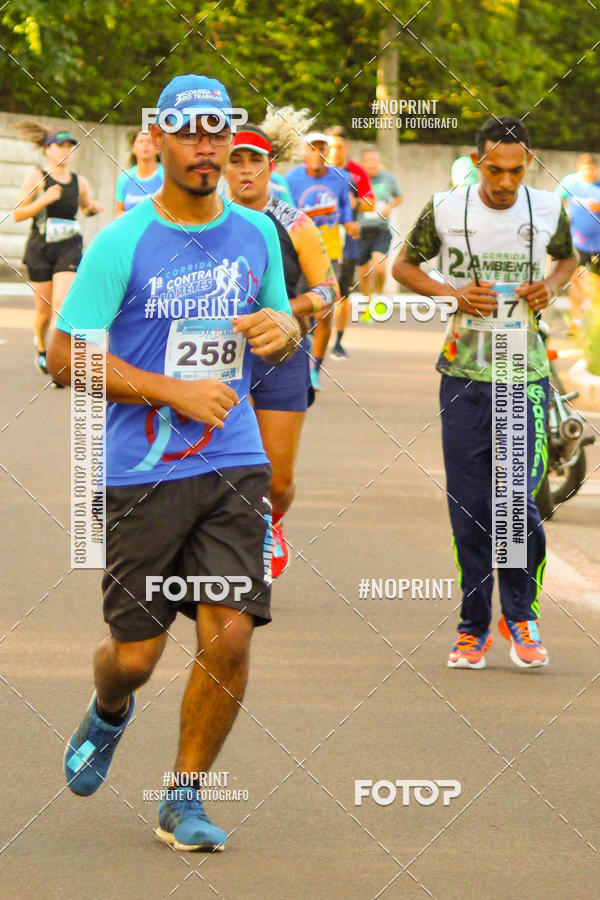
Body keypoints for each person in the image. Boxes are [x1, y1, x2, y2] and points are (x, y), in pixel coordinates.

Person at [47, 74, 299, 852]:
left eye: (216, 131)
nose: (205, 146)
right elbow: (62, 357)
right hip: (142, 471)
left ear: (231, 138)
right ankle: (109, 709)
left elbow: (283, 317)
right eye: (188, 131)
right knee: (136, 655)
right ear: (157, 140)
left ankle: (183, 796)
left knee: (229, 635)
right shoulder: (123, 240)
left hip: (232, 460)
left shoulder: (256, 233)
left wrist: (281, 332)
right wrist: (169, 391)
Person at [392, 116, 577, 671]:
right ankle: (473, 626)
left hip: (524, 370)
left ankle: (520, 615)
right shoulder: (447, 209)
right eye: (495, 170)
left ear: (529, 163)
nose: (504, 182)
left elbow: (568, 259)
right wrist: (450, 293)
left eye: (516, 171)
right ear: (478, 163)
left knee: (516, 502)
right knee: (471, 506)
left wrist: (551, 284)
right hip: (464, 375)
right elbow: (402, 266)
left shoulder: (547, 210)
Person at [225, 124, 339, 576]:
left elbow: (330, 289)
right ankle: (227, 549)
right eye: (237, 160)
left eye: (256, 161)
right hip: (220, 353)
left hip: (283, 352)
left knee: (278, 480)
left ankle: (272, 520)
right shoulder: (205, 219)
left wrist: (285, 311)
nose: (247, 170)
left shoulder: (295, 223)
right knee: (231, 465)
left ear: (271, 167)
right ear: (222, 167)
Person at [12, 123, 104, 378]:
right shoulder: (37, 178)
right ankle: (40, 346)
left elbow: (84, 207)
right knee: (43, 312)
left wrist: (91, 207)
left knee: (61, 305)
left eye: (69, 147)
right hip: (40, 248)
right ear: (48, 149)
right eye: (60, 146)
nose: (66, 151)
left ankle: (59, 362)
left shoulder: (79, 182)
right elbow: (18, 213)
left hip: (69, 247)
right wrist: (45, 199)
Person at [285, 132, 353, 388]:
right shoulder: (290, 179)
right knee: (299, 311)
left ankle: (315, 369)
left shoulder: (339, 178)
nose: (317, 153)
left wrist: (349, 222)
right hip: (298, 252)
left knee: (325, 312)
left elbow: (346, 206)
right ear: (304, 153)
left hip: (330, 251)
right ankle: (300, 363)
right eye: (312, 148)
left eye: (322, 147)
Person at [325, 125, 374, 359]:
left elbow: (371, 203)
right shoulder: (318, 171)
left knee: (343, 293)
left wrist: (354, 203)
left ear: (346, 146)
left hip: (348, 242)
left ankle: (338, 342)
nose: (334, 150)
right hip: (319, 244)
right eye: (330, 146)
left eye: (338, 146)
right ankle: (313, 338)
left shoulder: (356, 172)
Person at [554, 154, 600, 331]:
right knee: (577, 279)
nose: (588, 173)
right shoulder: (571, 182)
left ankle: (595, 324)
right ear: (580, 169)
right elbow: (555, 199)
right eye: (585, 170)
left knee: (595, 283)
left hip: (598, 244)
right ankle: (576, 322)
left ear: (596, 169)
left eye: (591, 170)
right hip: (578, 242)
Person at [356, 145, 402, 302]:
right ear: (362, 163)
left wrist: (390, 205)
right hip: (361, 230)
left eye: (375, 160)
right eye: (369, 160)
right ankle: (367, 300)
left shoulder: (388, 178)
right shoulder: (355, 179)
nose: (373, 164)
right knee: (363, 272)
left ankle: (379, 297)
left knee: (379, 268)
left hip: (381, 230)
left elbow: (399, 197)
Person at [114, 128, 164, 215]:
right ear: (133, 148)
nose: (145, 145)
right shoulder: (124, 178)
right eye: (141, 141)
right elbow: (119, 213)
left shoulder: (167, 176)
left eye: (150, 142)